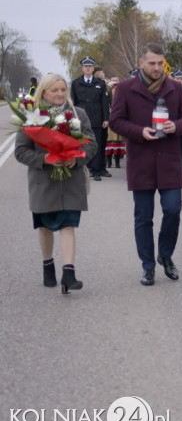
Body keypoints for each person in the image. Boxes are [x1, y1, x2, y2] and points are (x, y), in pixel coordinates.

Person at [109, 43, 182, 286]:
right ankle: (147, 266)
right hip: (141, 161)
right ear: (141, 63)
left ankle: (165, 255)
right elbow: (115, 121)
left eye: (160, 63)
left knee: (173, 210)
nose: (157, 68)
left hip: (169, 161)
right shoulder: (125, 88)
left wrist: (176, 126)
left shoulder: (175, 88)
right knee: (143, 218)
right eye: (152, 63)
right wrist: (139, 131)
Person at [15, 73, 98, 294]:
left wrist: (77, 158)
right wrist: (45, 159)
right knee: (44, 227)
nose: (60, 94)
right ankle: (48, 264)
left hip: (71, 181)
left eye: (63, 89)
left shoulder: (78, 114)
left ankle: (69, 273)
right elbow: (20, 151)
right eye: (55, 90)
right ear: (44, 92)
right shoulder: (33, 117)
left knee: (68, 224)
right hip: (43, 182)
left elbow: (91, 144)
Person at [70, 57, 109, 181]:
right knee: (82, 144)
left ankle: (96, 170)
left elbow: (104, 102)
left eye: (90, 66)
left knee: (96, 145)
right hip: (81, 120)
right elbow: (73, 102)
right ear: (82, 68)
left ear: (93, 69)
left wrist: (106, 119)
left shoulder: (100, 84)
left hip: (97, 119)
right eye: (85, 66)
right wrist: (71, 118)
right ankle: (84, 168)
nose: (87, 68)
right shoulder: (76, 83)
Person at [105, 76, 126, 169]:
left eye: (116, 81)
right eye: (113, 81)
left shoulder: (122, 94)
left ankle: (117, 162)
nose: (115, 89)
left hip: (119, 120)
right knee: (109, 141)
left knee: (118, 141)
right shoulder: (107, 94)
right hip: (110, 120)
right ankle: (109, 162)